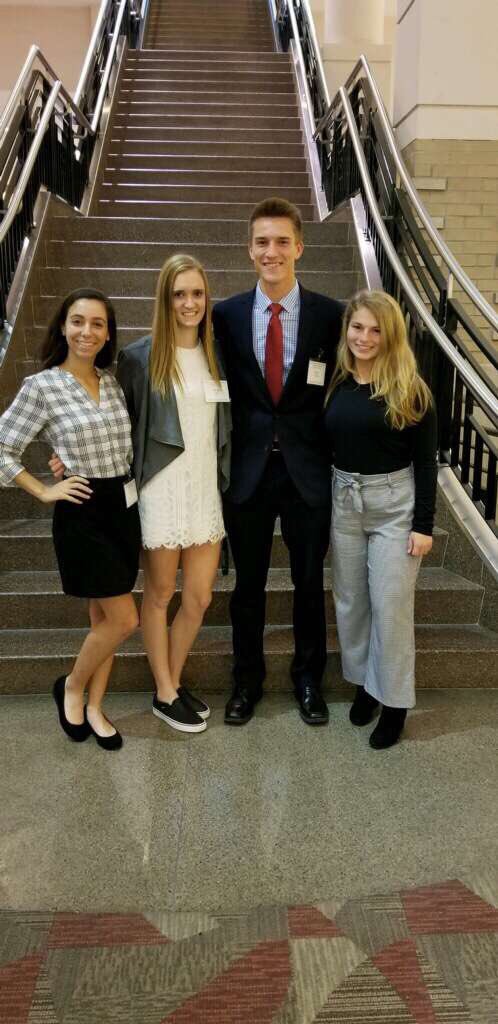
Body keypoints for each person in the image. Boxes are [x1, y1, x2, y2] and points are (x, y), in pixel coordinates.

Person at [212, 197, 344, 726]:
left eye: (282, 241)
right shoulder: (222, 315)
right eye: (263, 242)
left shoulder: (330, 315)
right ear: (250, 250)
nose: (273, 251)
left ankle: (308, 679)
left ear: (299, 247)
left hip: (307, 473)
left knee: (309, 583)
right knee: (247, 587)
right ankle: (247, 681)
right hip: (247, 474)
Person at [0, 288, 141, 750]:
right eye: (78, 321)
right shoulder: (42, 386)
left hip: (122, 507)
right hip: (81, 511)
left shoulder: (113, 381)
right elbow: (3, 446)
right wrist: (44, 488)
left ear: (107, 333)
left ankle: (96, 706)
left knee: (103, 617)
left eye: (98, 323)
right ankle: (73, 687)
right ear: (63, 326)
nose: (87, 331)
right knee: (123, 620)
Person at [115, 253, 231, 733]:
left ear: (207, 299)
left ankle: (172, 682)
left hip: (205, 488)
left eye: (197, 294)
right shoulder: (140, 357)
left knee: (200, 597)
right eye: (179, 294)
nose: (189, 303)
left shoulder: (216, 354)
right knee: (160, 594)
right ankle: (164, 691)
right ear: (165, 299)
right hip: (162, 490)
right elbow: (116, 425)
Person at [324, 289, 438, 749]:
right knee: (351, 601)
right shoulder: (337, 381)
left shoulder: (410, 387)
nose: (364, 337)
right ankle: (366, 686)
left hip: (395, 505)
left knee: (390, 606)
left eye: (375, 330)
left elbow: (427, 462)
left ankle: (394, 703)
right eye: (357, 327)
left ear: (390, 335)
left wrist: (423, 525)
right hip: (344, 499)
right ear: (347, 329)